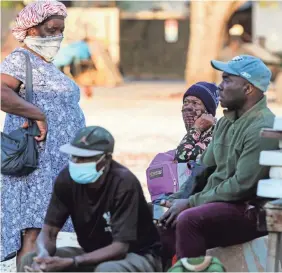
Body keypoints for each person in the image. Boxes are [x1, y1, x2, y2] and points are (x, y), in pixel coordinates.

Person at [158, 55, 279, 261]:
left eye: (226, 80)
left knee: (189, 219)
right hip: (219, 204)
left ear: (248, 88)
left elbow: (241, 187)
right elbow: (203, 169)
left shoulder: (262, 127)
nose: (219, 87)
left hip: (249, 211)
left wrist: (190, 202)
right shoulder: (225, 123)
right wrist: (177, 198)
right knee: (162, 223)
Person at [0, 1, 85, 265]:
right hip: (36, 165)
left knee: (47, 231)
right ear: (32, 30)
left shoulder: (45, 64)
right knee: (34, 232)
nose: (57, 37)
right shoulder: (20, 59)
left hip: (55, 163)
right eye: (51, 30)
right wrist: (37, 114)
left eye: (60, 30)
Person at [18, 126, 162, 272]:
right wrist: (43, 256)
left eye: (85, 158)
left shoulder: (124, 183)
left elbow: (120, 248)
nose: (77, 162)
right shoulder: (66, 179)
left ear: (106, 159)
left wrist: (72, 262)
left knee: (107, 270)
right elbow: (49, 232)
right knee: (29, 261)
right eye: (74, 156)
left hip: (137, 255)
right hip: (92, 254)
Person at [174, 82, 219, 164]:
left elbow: (181, 157)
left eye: (195, 103)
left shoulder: (214, 133)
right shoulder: (200, 132)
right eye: (185, 102)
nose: (188, 107)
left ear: (208, 111)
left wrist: (196, 128)